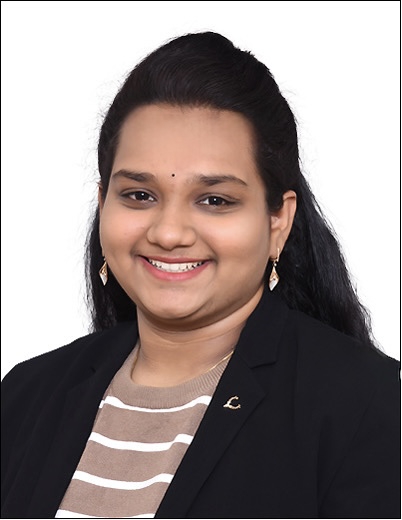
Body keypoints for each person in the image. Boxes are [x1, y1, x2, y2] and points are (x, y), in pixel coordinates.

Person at [1, 31, 400, 519]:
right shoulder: (25, 395)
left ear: (278, 221)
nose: (169, 233)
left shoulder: (370, 404)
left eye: (215, 200)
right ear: (103, 203)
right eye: (139, 195)